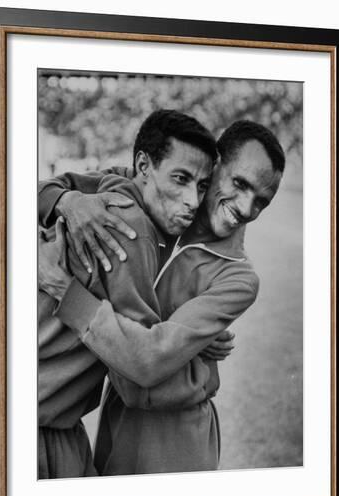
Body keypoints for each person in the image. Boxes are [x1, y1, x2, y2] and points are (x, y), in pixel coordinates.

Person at [39, 117, 285, 475]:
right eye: (240, 184)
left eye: (262, 201)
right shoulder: (151, 198)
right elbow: (45, 187)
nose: (247, 210)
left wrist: (65, 290)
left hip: (176, 436)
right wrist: (68, 201)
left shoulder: (239, 277)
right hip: (117, 416)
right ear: (214, 166)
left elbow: (146, 365)